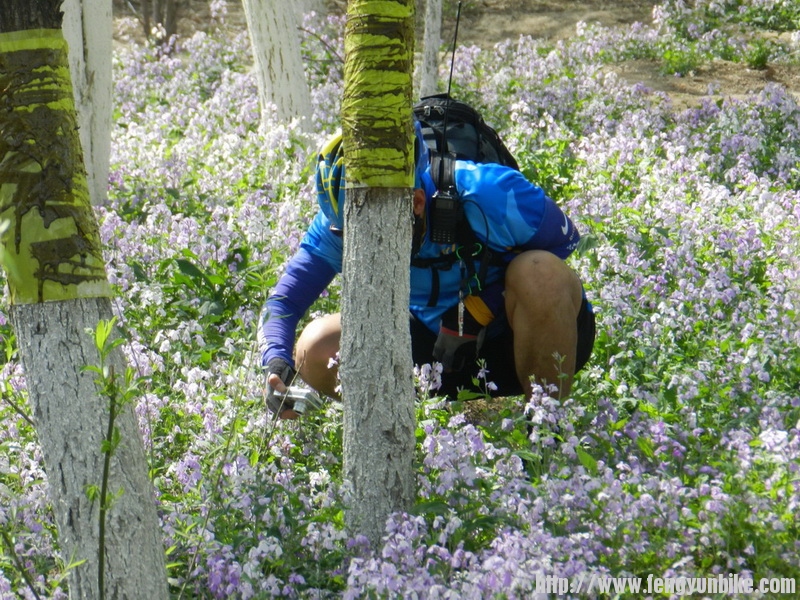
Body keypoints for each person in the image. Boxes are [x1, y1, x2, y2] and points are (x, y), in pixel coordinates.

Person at [258, 118, 595, 419]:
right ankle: (402, 432)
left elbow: (565, 243)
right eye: (350, 234)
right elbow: (284, 303)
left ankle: (546, 423)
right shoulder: (338, 223)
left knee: (541, 271)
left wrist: (479, 308)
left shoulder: (489, 191)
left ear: (417, 203)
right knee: (315, 346)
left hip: (510, 340)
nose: (363, 246)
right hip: (430, 353)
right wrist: (275, 363)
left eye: (374, 233)